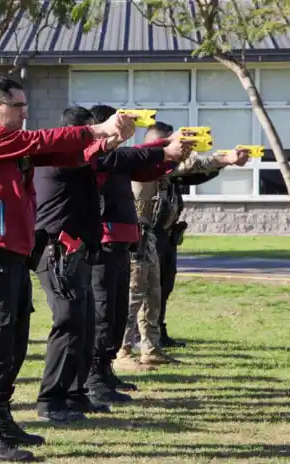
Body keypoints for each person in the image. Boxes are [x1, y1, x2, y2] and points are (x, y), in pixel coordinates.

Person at [0, 77, 132, 462]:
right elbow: (43, 143)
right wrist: (94, 129)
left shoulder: (7, 141)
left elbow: (57, 156)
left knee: (13, 347)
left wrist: (104, 143)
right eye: (18, 106)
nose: (25, 113)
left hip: (15, 257)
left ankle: (2, 423)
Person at [33, 106, 186, 424]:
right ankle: (53, 400)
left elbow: (123, 157)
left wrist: (163, 147)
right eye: (93, 130)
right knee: (72, 325)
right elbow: (116, 157)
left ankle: (75, 393)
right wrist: (157, 146)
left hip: (77, 252)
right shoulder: (60, 156)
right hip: (58, 252)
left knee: (85, 325)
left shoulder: (80, 159)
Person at [123, 121, 250, 369]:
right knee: (133, 296)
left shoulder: (160, 165)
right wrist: (223, 158)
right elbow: (191, 164)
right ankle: (122, 351)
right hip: (133, 235)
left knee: (153, 294)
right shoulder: (142, 161)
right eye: (177, 145)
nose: (182, 152)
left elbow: (194, 166)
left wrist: (227, 158)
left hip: (148, 235)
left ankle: (150, 348)